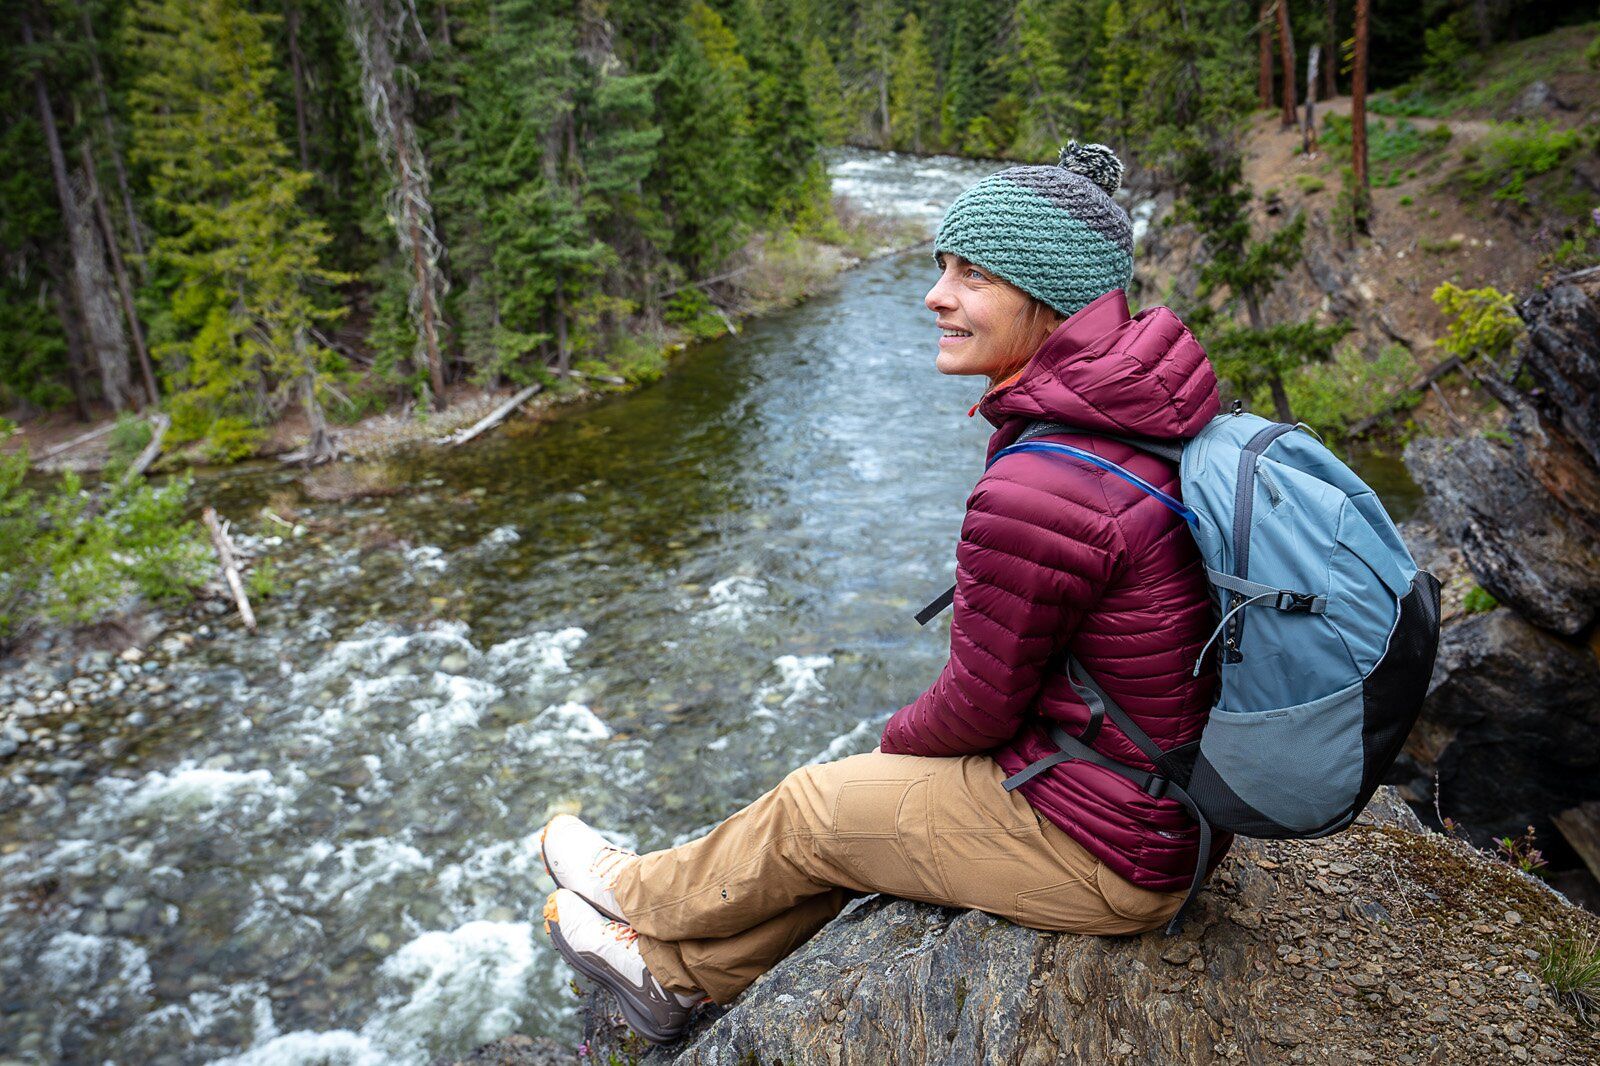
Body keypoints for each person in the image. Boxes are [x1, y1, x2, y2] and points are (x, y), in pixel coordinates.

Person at [539, 141, 1227, 1046]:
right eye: (942, 267)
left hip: (1110, 845)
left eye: (972, 275)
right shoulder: (1145, 403)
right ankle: (671, 978)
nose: (936, 296)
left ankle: (632, 892)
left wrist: (890, 754)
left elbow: (980, 706)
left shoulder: (1046, 481)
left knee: (818, 807)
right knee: (856, 817)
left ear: (1049, 298)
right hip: (1153, 793)